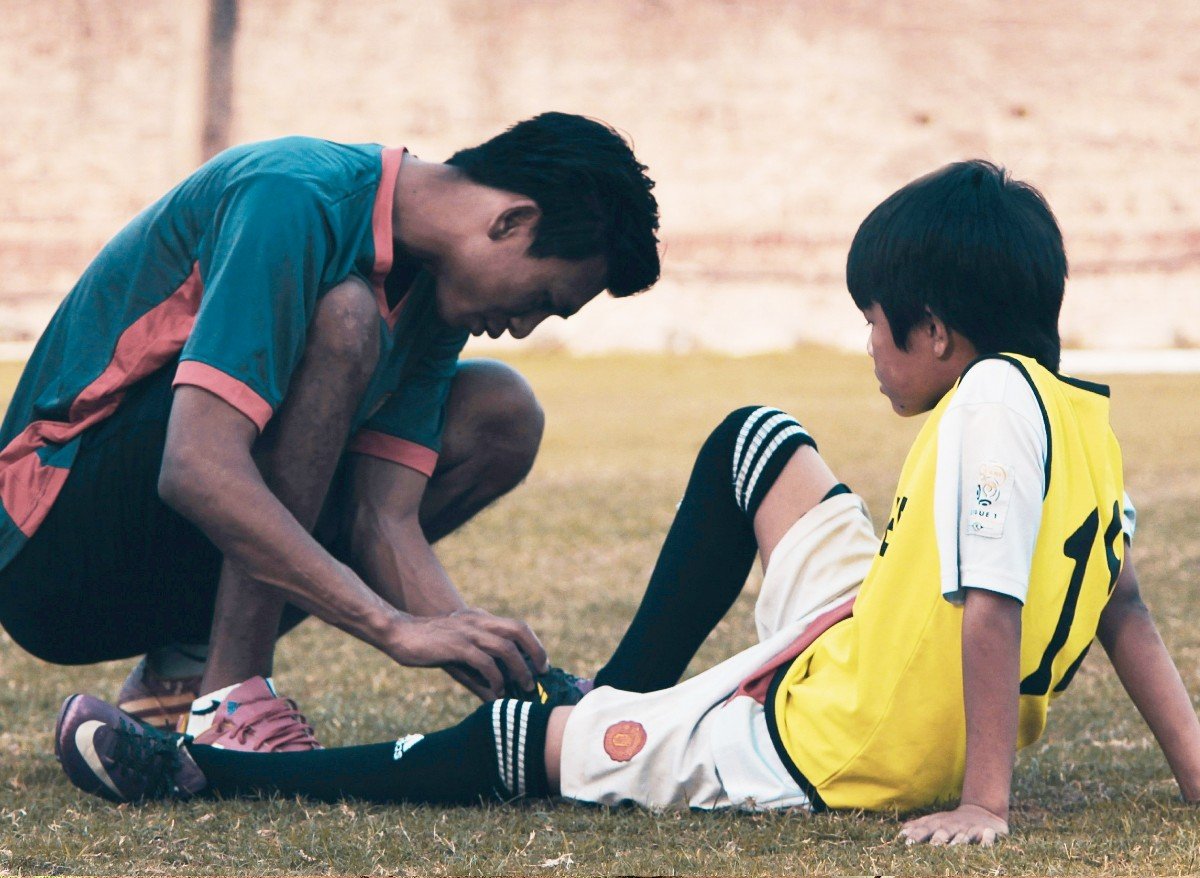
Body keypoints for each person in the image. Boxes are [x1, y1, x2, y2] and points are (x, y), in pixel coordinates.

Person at [54, 161, 1200, 845]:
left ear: (938, 332)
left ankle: (217, 769)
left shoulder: (988, 402)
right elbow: (1124, 607)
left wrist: (987, 802)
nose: (869, 346)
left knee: (522, 741)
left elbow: (993, 602)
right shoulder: (1075, 411)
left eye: (875, 321)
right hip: (866, 640)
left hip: (843, 740)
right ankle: (631, 701)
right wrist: (1193, 768)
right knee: (755, 440)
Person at [1, 112, 660, 750]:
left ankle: (184, 673)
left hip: (157, 568)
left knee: (501, 411)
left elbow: (384, 520)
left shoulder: (436, 295)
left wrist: (511, 681)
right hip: (49, 548)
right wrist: (390, 627)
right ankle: (230, 699)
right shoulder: (292, 195)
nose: (524, 328)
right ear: (512, 220)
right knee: (344, 316)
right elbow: (196, 466)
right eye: (543, 300)